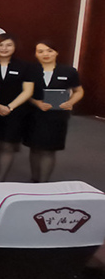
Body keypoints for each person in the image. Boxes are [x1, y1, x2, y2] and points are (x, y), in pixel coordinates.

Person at [24, 40, 84, 183]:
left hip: (57, 116)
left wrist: (70, 102)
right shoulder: (30, 70)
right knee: (35, 148)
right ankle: (34, 179)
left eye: (49, 50)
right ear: (35, 54)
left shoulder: (68, 71)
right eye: (40, 51)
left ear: (56, 52)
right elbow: (24, 92)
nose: (45, 54)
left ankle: (44, 183)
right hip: (34, 114)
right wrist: (36, 102)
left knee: (49, 149)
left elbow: (78, 91)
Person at [0, 34, 34, 182]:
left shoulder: (25, 66)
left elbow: (27, 91)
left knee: (8, 146)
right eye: (0, 45)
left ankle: (0, 180)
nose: (4, 48)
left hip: (14, 111)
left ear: (15, 47)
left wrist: (9, 107)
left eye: (8, 45)